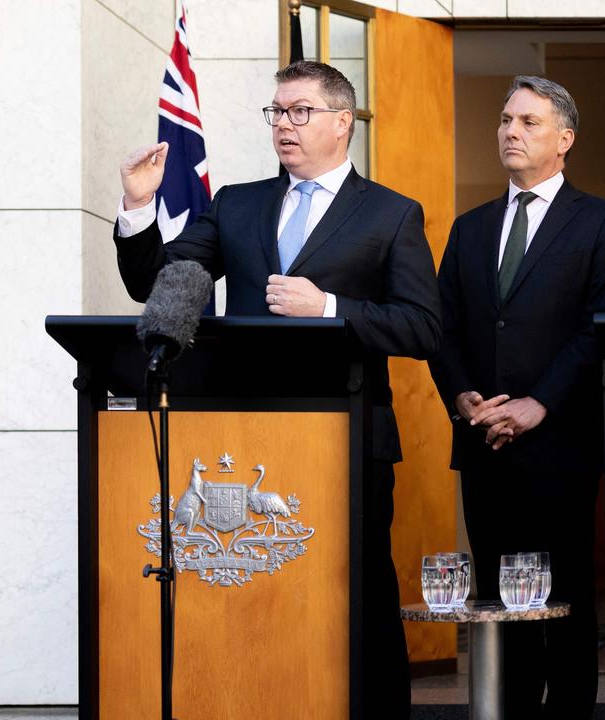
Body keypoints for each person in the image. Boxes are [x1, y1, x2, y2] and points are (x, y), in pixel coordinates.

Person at [114, 60, 441, 719]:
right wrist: (139, 207)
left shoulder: (392, 214)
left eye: (300, 112)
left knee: (357, 591)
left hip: (352, 436)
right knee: (266, 589)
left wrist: (329, 307)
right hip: (254, 427)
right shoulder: (238, 203)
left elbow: (423, 326)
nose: (283, 126)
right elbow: (160, 282)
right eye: (276, 112)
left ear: (342, 121)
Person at [428, 75, 605, 718]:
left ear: (565, 139)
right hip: (484, 442)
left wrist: (539, 403)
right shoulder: (469, 227)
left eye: (529, 122)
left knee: (563, 596)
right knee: (494, 597)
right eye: (505, 120)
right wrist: (463, 396)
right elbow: (444, 326)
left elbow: (600, 326)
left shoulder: (602, 221)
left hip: (561, 446)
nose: (511, 132)